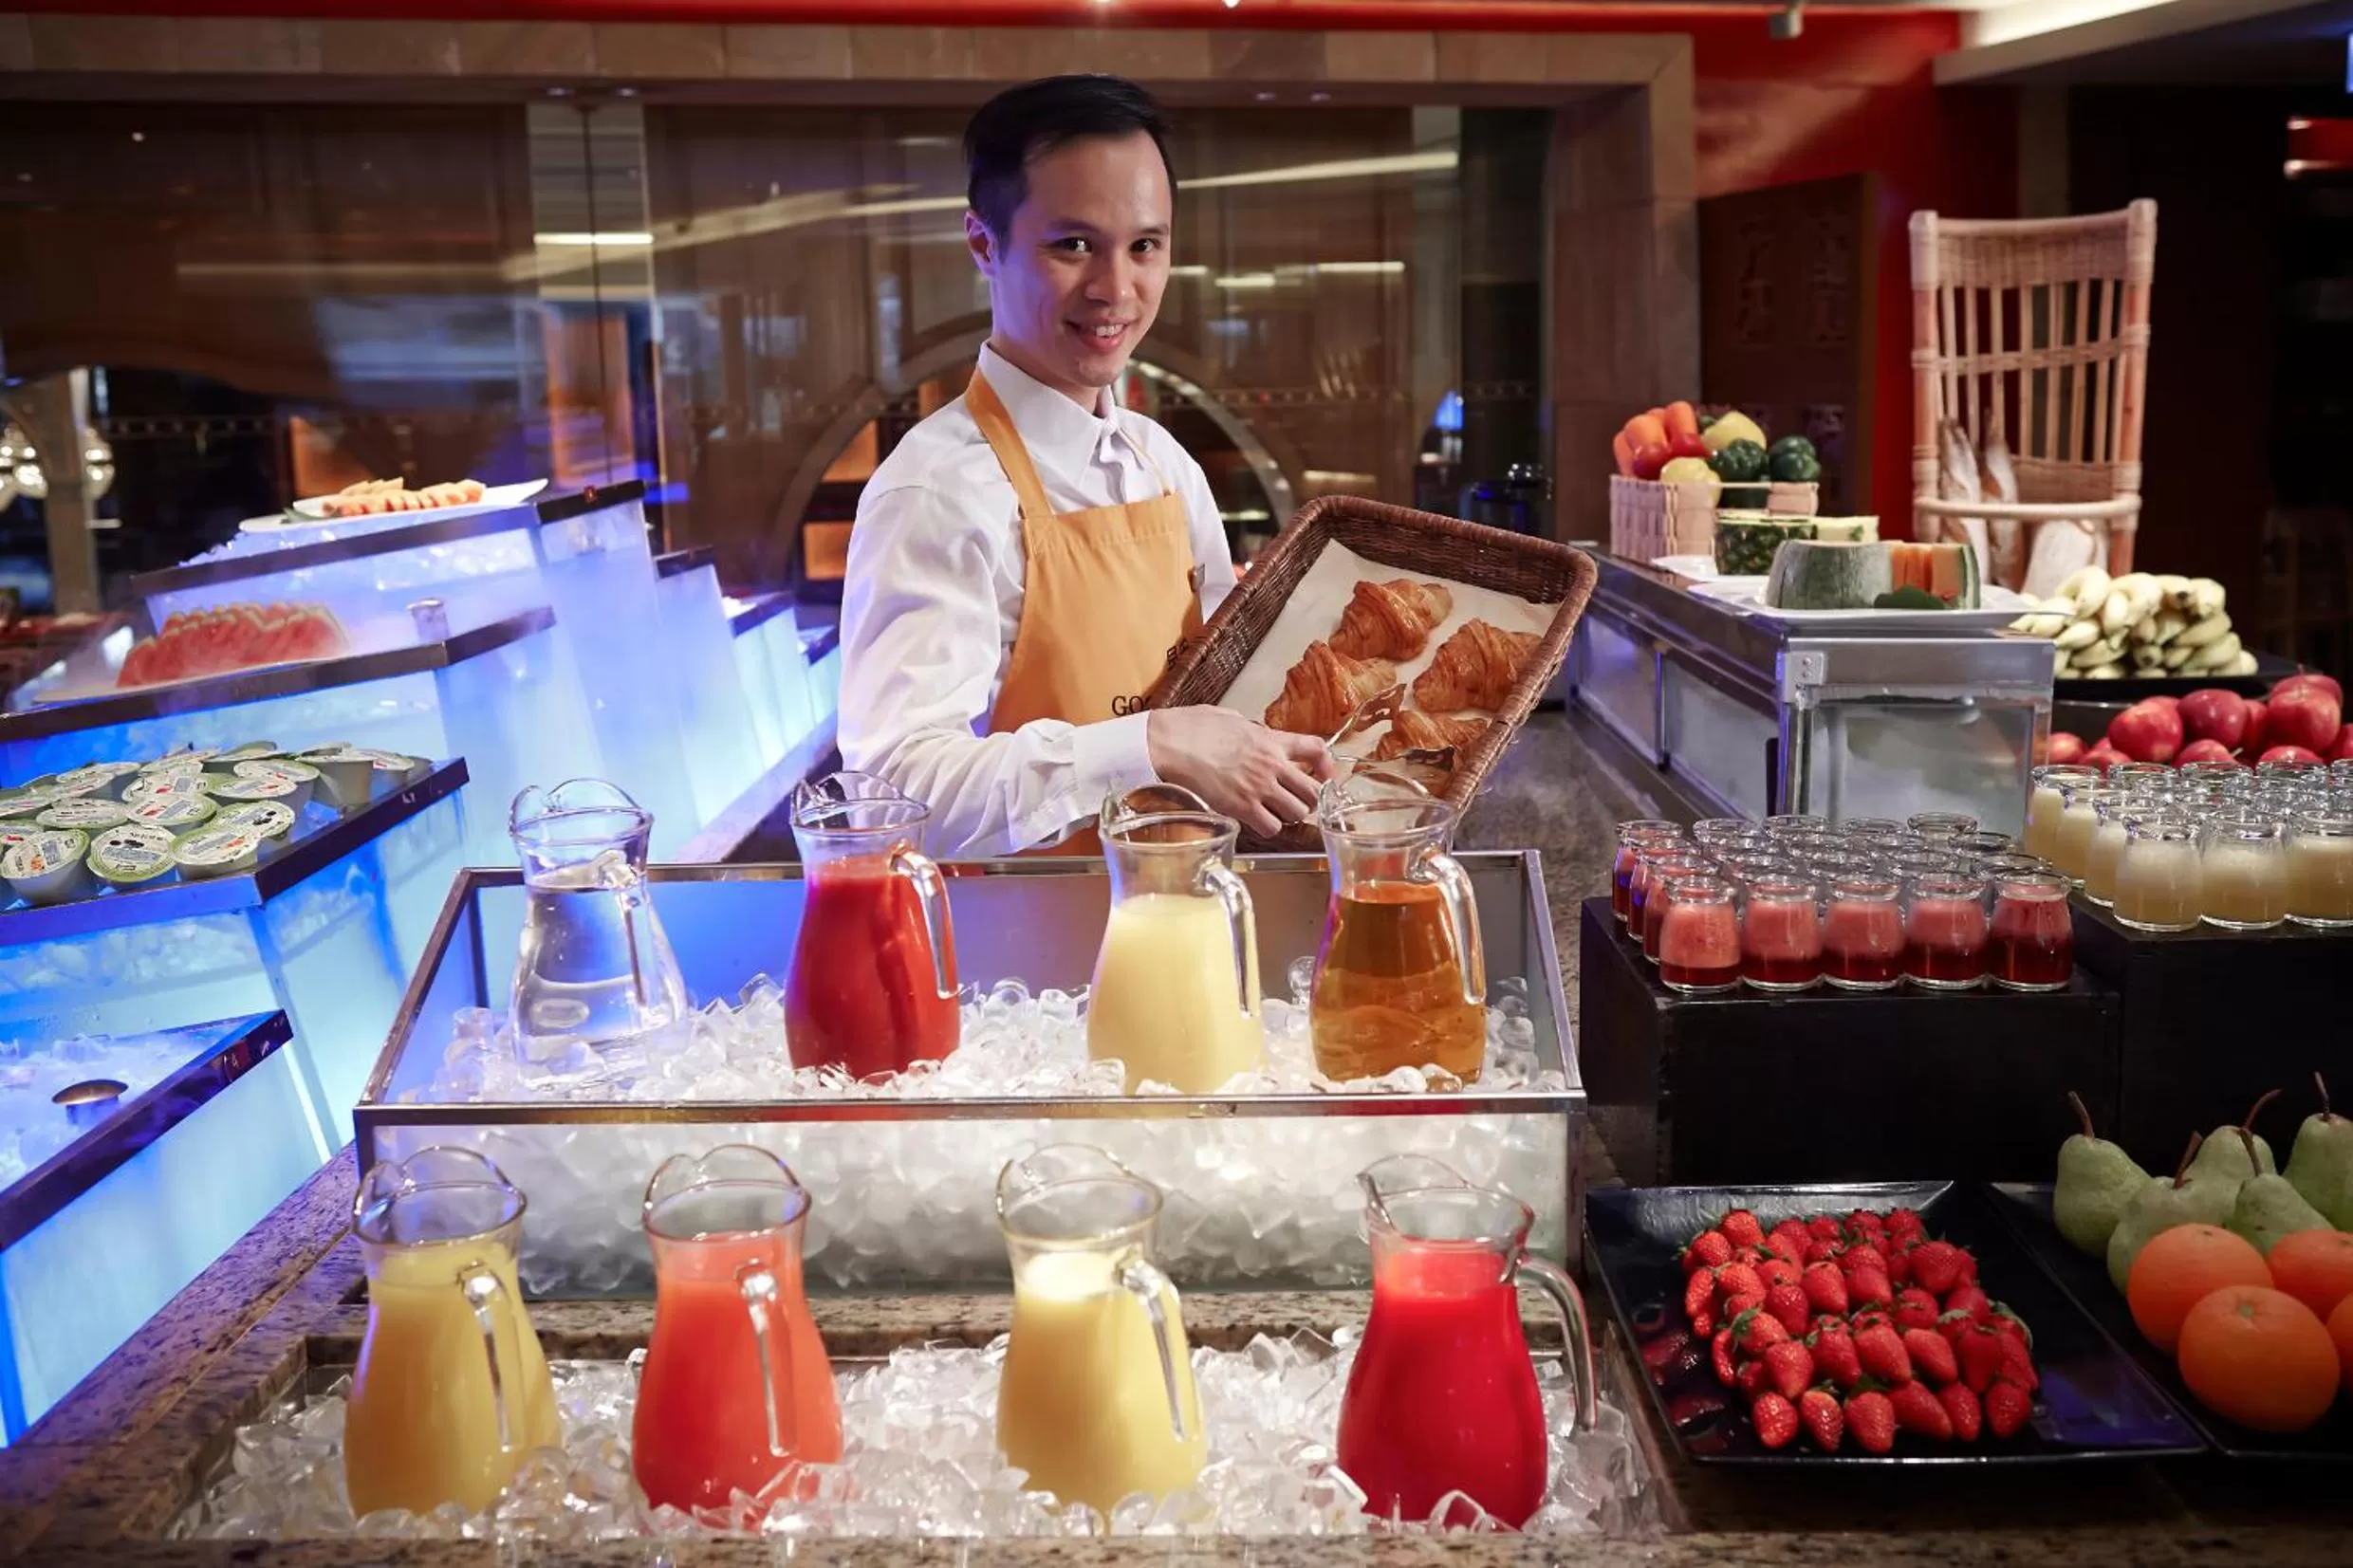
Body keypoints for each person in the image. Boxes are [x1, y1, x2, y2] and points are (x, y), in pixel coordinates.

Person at [838, 74, 1333, 856]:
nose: (1116, 289)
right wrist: (1149, 744)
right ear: (983, 244)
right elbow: (896, 796)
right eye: (1073, 245)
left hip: (1187, 909)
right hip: (1022, 934)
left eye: (1145, 246)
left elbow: (1229, 697)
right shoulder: (935, 490)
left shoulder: (1164, 464)